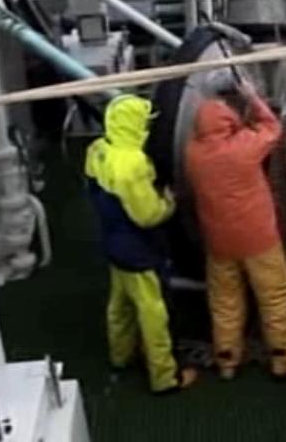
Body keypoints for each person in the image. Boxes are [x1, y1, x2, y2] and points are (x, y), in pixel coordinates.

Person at [184, 73, 286, 380]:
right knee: (275, 296)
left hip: (218, 241)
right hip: (258, 238)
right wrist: (252, 98)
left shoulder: (192, 152)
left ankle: (227, 361)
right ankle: (283, 359)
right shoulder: (244, 146)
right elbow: (273, 128)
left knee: (225, 301)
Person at [85, 94, 197, 394]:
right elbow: (147, 215)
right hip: (139, 250)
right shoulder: (133, 164)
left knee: (119, 306)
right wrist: (169, 202)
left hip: (112, 242)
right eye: (144, 123)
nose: (147, 128)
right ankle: (165, 377)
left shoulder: (98, 150)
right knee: (153, 312)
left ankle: (120, 356)